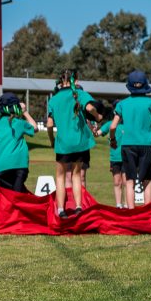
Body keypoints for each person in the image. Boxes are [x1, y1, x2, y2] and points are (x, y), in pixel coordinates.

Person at [46, 71, 101, 218]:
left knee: (60, 177)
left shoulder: (54, 100)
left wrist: (52, 140)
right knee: (77, 175)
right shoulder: (79, 94)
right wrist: (98, 116)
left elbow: (49, 124)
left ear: (60, 81)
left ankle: (61, 210)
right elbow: (90, 108)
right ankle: (78, 207)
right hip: (79, 143)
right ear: (75, 80)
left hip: (63, 144)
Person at [110, 71, 151, 210]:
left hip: (128, 145)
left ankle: (131, 214)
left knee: (130, 181)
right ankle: (147, 215)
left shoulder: (122, 104)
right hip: (147, 145)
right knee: (146, 181)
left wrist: (113, 140)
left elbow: (112, 126)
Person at [0, 93, 38, 192]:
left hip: (1, 168)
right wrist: (25, 112)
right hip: (19, 166)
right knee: (17, 195)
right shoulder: (19, 123)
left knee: (8, 197)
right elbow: (35, 128)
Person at [97, 101, 127, 208]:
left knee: (126, 182)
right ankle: (119, 204)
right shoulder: (109, 124)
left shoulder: (128, 125)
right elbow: (97, 134)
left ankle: (127, 204)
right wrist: (92, 127)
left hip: (127, 157)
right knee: (116, 181)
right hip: (115, 158)